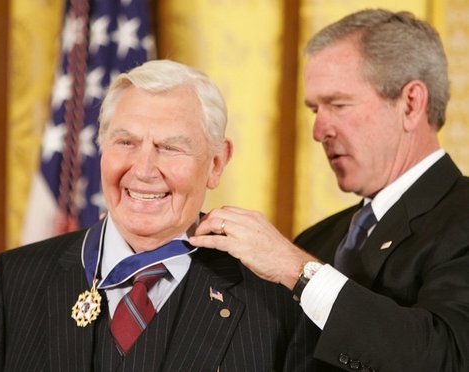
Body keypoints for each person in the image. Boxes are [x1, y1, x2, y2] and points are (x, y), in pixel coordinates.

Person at [0, 60, 308, 371]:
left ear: (216, 163)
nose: (143, 170)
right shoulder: (15, 281)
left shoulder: (273, 301)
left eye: (170, 147)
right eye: (126, 142)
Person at [191, 9, 469, 372]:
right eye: (314, 110)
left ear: (411, 104)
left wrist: (299, 270)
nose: (319, 131)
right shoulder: (319, 239)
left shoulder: (459, 215)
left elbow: (446, 357)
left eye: (338, 105)